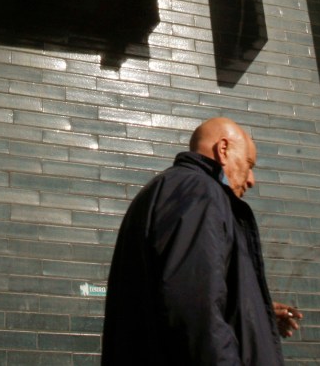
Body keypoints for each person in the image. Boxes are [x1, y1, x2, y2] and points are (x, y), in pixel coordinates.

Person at [102, 117, 303, 366]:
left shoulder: (169, 192)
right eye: (249, 164)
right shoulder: (200, 191)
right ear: (223, 150)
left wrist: (256, 312)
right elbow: (194, 309)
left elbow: (190, 291)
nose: (251, 179)